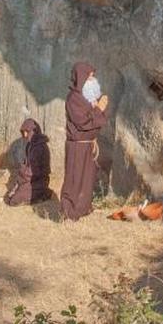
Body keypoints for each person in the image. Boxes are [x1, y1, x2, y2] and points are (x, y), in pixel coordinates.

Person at [61, 62, 108, 221]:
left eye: (93, 76)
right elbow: (82, 121)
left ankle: (82, 207)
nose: (93, 80)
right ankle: (69, 212)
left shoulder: (88, 98)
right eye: (89, 77)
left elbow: (98, 121)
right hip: (77, 146)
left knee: (87, 178)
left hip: (88, 144)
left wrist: (98, 106)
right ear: (80, 78)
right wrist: (99, 109)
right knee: (75, 178)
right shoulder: (74, 99)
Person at [5, 119, 52, 206]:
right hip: (29, 179)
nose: (25, 134)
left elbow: (35, 171)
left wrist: (22, 175)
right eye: (23, 132)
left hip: (39, 180)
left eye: (27, 131)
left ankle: (43, 193)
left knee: (14, 201)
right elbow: (26, 164)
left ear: (33, 132)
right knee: (9, 197)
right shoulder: (30, 145)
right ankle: (39, 194)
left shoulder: (40, 147)